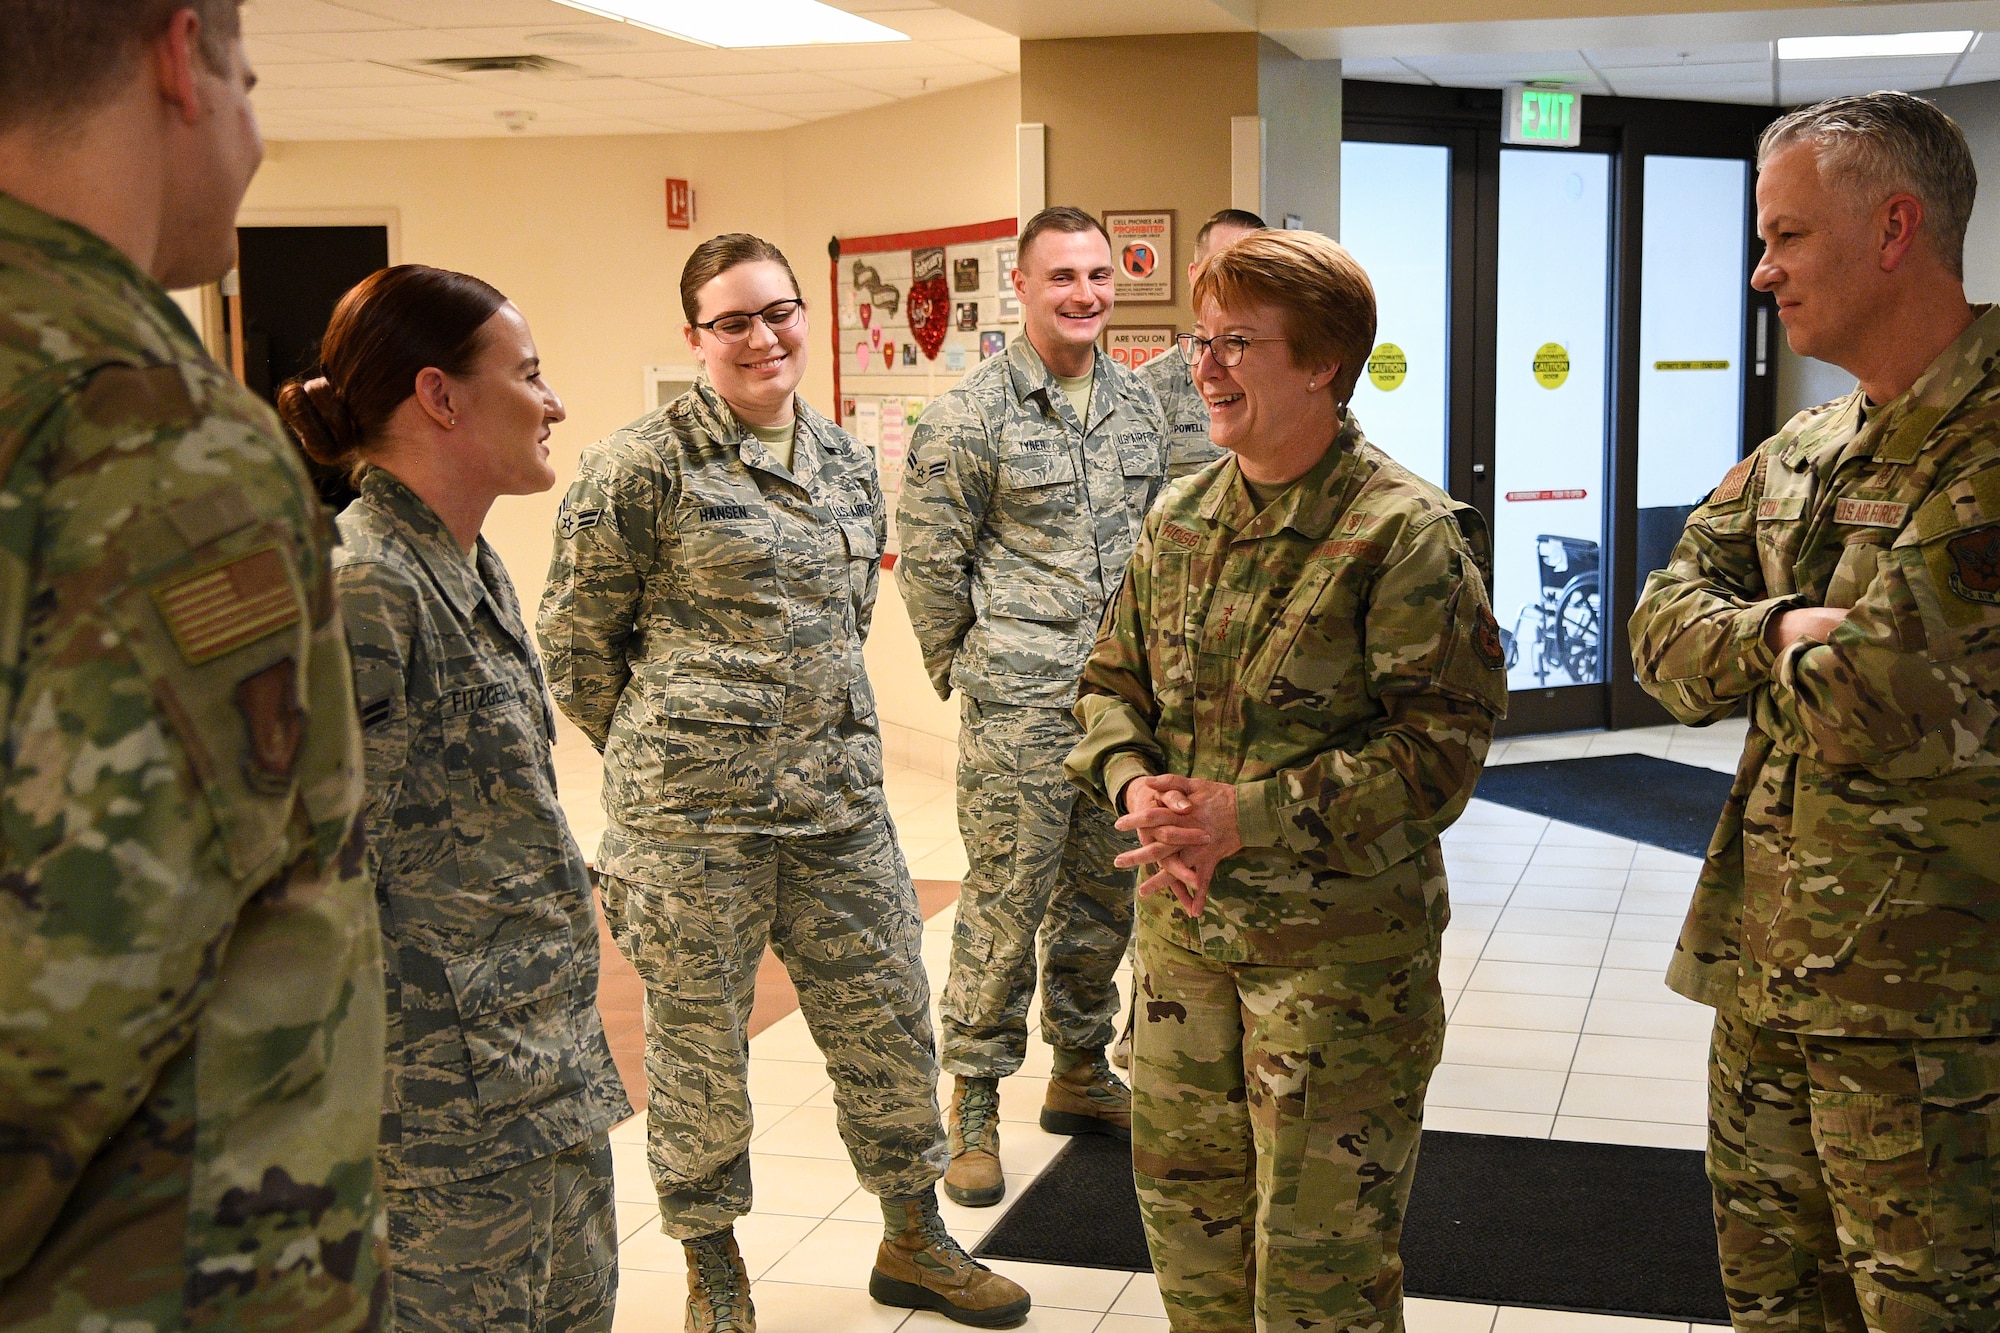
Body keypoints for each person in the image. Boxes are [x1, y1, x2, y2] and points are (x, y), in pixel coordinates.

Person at [537, 233, 1029, 1332]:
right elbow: (573, 645)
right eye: (734, 321)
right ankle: (713, 1268)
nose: (763, 338)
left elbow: (841, 626)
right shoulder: (640, 466)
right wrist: (675, 749)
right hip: (688, 826)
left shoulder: (848, 462)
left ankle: (914, 1236)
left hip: (836, 811)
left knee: (889, 1021)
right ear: (696, 338)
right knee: (700, 1049)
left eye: (779, 312)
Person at [0, 2, 389, 1329]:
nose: (256, 134)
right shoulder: (143, 432)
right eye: (252, 83)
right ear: (181, 59)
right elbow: (73, 1002)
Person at [1066, 229, 1508, 1332]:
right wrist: (1131, 783)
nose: (1201, 368)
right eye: (1196, 340)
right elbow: (1107, 683)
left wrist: (1239, 813)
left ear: (1320, 363)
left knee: (1321, 1280)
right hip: (1182, 954)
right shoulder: (1179, 518)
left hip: (1335, 976)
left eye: (1233, 344)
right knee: (1193, 1257)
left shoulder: (1400, 535)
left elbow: (1438, 753)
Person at [1630, 91, 2000, 1331]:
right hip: (1770, 982)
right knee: (1772, 1302)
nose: (1759, 270)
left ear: (1893, 229)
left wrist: (1746, 639)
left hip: (1932, 1015)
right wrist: (1783, 627)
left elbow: (1881, 692)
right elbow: (1657, 632)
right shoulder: (1803, 445)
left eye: (1786, 236)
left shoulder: (1985, 438)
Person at [277, 266, 629, 1333]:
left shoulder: (466, 565)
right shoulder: (366, 584)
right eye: (526, 375)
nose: (553, 401)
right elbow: (297, 866)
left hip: (539, 1072)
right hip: (437, 1113)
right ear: (440, 397)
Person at [895, 205, 1170, 1209]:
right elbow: (927, 563)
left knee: (1105, 894)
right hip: (1019, 705)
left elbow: (1156, 541)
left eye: (1099, 274)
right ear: (1020, 286)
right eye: (1062, 276)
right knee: (1007, 900)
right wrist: (976, 667)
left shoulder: (1138, 406)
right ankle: (970, 1099)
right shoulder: (968, 415)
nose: (1086, 294)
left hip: (1120, 706)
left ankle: (1080, 1068)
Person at [1138, 208, 1266, 480]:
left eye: (1250, 271)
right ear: (1194, 275)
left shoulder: (1279, 370)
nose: (1233, 284)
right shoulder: (1153, 386)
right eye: (1219, 268)